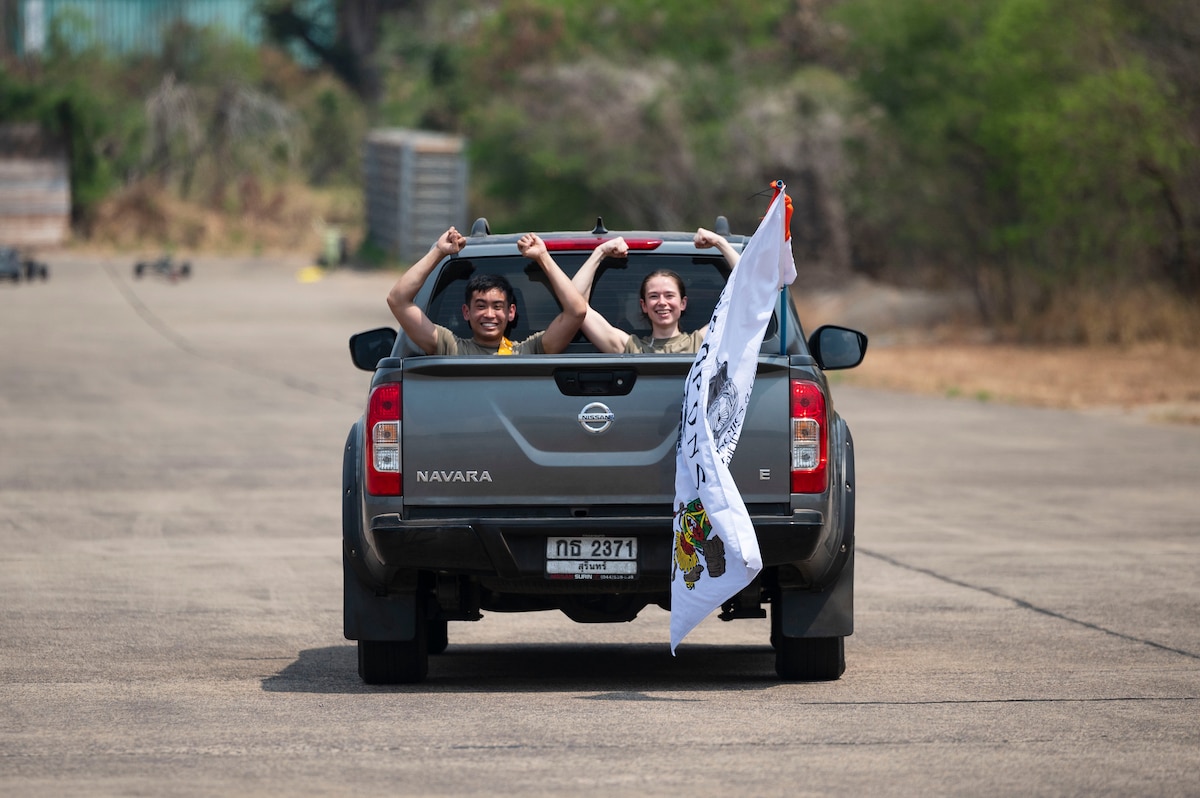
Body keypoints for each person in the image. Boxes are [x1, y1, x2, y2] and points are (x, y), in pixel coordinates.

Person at [387, 227, 587, 355]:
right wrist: (439, 252)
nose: (489, 314)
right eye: (480, 306)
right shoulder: (451, 348)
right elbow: (398, 300)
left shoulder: (529, 351)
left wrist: (543, 257)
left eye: (497, 306)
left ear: (511, 312)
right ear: (466, 312)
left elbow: (576, 311)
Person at [570, 227, 740, 354]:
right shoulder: (632, 348)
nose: (662, 302)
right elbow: (574, 305)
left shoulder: (701, 343)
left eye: (669, 295)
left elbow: (747, 294)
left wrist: (720, 243)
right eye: (653, 296)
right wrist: (599, 252)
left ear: (683, 303)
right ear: (643, 305)